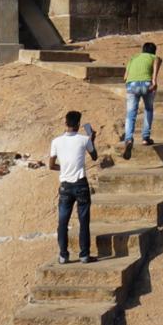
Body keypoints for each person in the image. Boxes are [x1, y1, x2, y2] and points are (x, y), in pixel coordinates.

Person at [48, 109, 97, 264]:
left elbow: (51, 165)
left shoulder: (56, 141)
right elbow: (94, 157)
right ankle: (84, 255)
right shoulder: (84, 139)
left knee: (63, 222)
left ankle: (63, 255)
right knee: (84, 221)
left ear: (66, 123)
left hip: (65, 186)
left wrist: (64, 168)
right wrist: (92, 139)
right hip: (81, 183)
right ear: (78, 124)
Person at [122, 42, 160, 160]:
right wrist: (154, 81)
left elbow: (125, 77)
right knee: (148, 109)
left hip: (131, 85)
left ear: (142, 50)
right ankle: (145, 138)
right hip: (146, 85)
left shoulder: (133, 58)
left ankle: (128, 139)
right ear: (154, 51)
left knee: (131, 113)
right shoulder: (154, 57)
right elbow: (156, 64)